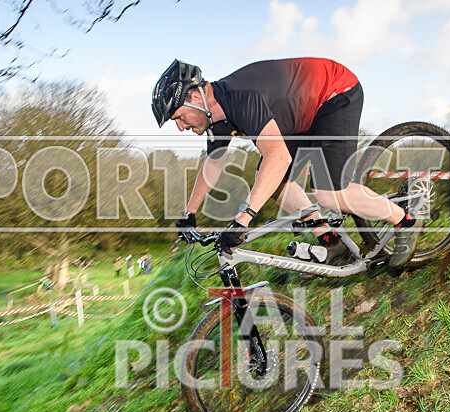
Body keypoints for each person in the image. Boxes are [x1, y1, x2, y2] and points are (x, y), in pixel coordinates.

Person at [153, 58, 422, 268]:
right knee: (273, 182)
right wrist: (189, 213)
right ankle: (329, 240)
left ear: (196, 98)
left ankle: (405, 221)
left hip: (335, 93)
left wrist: (243, 220)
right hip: (301, 117)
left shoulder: (239, 97)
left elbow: (278, 157)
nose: (180, 127)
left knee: (328, 193)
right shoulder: (217, 119)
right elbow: (212, 164)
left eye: (178, 117)